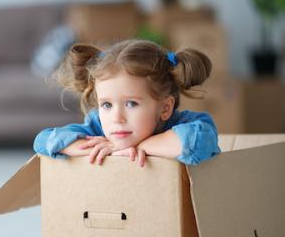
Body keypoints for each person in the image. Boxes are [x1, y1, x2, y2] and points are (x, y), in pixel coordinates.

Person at [33, 39, 221, 167]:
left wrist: (138, 147)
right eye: (107, 105)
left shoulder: (186, 124)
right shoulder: (98, 127)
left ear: (165, 108)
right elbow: (42, 141)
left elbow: (200, 142)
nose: (117, 118)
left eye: (131, 104)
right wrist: (83, 148)